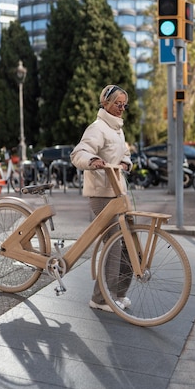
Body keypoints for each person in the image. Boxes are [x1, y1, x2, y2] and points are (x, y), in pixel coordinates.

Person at [70, 84, 133, 312]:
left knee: (129, 244)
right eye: (118, 104)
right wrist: (93, 160)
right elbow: (79, 153)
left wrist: (127, 162)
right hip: (101, 196)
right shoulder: (97, 128)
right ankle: (100, 299)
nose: (121, 108)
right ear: (105, 103)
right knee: (114, 244)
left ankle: (118, 294)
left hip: (118, 193)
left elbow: (124, 153)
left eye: (124, 104)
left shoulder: (117, 129)